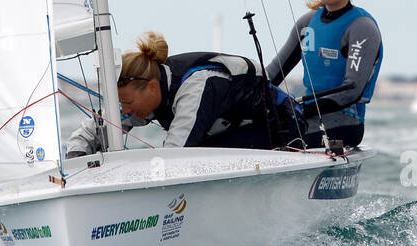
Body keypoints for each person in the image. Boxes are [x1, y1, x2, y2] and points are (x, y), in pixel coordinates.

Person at [64, 32, 298, 157]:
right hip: (225, 137)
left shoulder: (197, 88)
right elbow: (97, 127)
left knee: (202, 155)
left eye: (127, 102)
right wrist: (76, 153)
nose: (124, 110)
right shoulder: (142, 94)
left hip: (280, 131)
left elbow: (175, 155)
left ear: (152, 88)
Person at [266, 0, 382, 148]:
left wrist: (302, 109)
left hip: (346, 122)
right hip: (305, 115)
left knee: (273, 140)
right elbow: (272, 73)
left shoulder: (361, 28)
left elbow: (351, 91)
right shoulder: (306, 24)